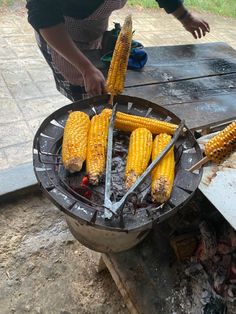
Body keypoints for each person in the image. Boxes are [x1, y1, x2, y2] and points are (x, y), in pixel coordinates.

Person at [26, 0, 210, 101]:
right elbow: (45, 18)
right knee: (85, 93)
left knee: (100, 86)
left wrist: (185, 17)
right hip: (61, 36)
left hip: (93, 29)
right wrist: (86, 68)